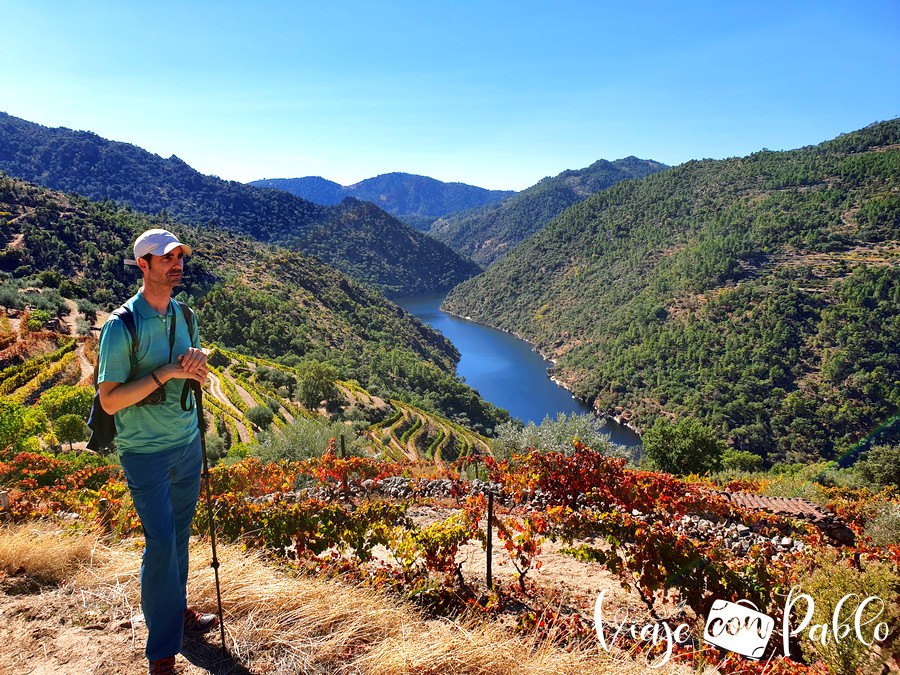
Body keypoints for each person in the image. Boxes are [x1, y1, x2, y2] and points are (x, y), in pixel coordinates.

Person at [97, 228, 218, 675]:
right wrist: (164, 374)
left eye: (180, 256)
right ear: (142, 265)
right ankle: (161, 651)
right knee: (162, 543)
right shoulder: (121, 325)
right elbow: (109, 399)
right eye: (165, 258)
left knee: (179, 538)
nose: (177, 263)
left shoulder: (185, 314)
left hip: (186, 442)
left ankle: (175, 613)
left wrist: (196, 366)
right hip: (144, 451)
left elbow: (192, 367)